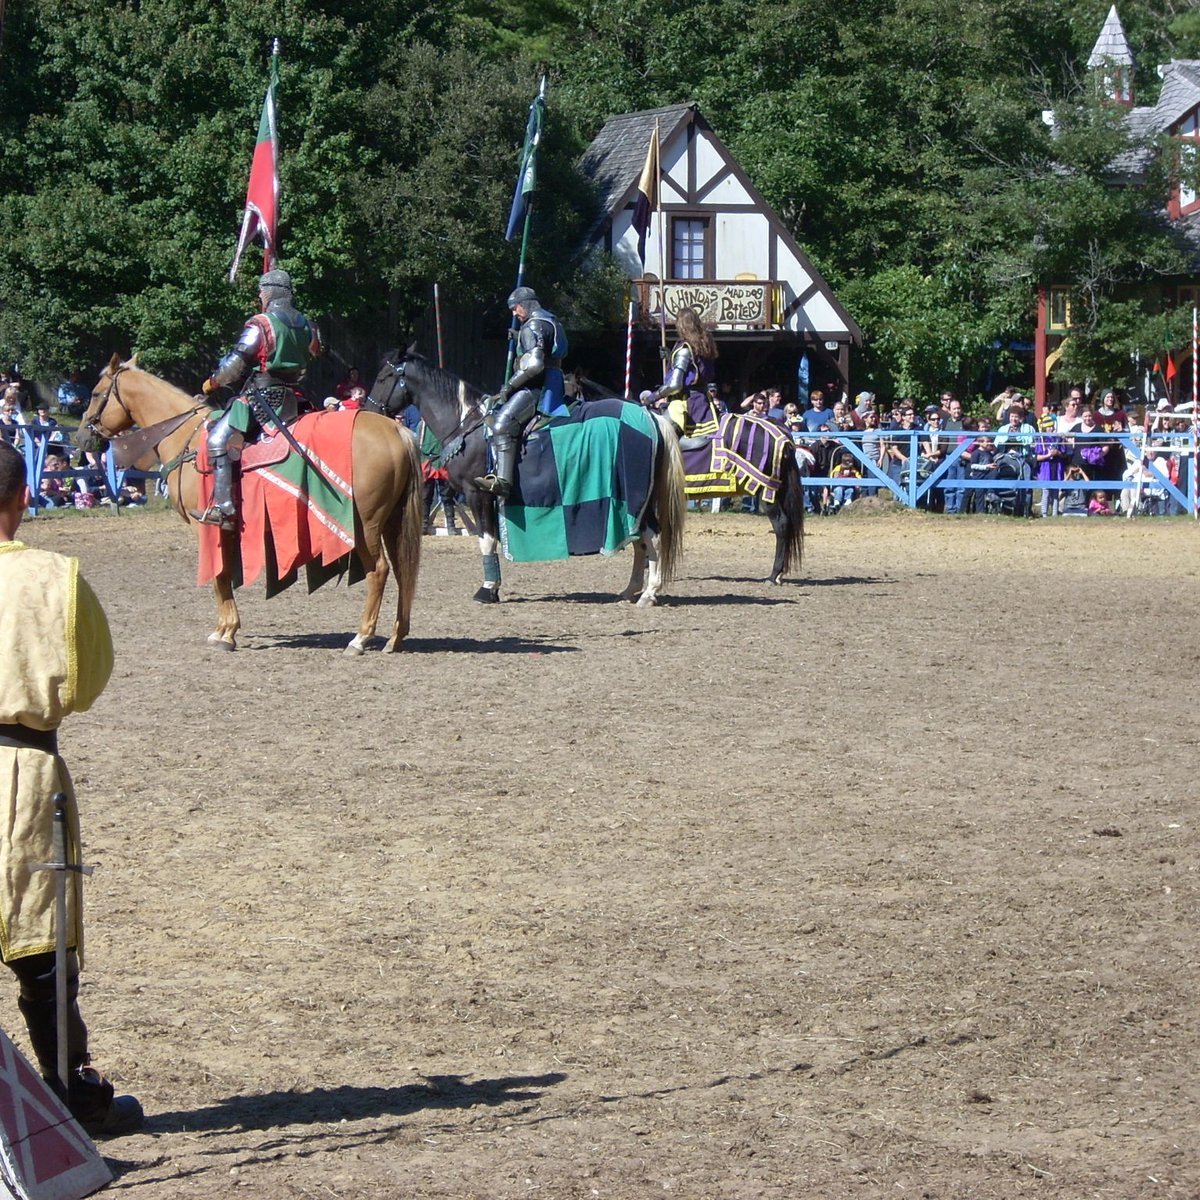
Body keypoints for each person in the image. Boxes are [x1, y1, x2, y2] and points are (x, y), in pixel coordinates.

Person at [0, 442, 143, 1137]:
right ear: (23, 499)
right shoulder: (58, 576)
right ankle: (69, 1097)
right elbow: (86, 684)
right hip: (23, 772)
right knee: (41, 942)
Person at [192, 268, 322, 529]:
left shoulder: (261, 323)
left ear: (270, 291)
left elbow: (234, 365)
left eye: (261, 290)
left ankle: (223, 508)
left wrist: (212, 383)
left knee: (217, 438)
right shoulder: (308, 324)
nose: (260, 295)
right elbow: (314, 355)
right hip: (295, 397)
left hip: (263, 398)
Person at [474, 285, 569, 498]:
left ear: (524, 305)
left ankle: (503, 481)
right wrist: (519, 335)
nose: (515, 314)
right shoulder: (550, 320)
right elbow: (545, 346)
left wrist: (509, 386)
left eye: (515, 309)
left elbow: (534, 365)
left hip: (538, 387)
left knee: (500, 424)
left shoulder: (532, 325)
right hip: (555, 380)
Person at [656, 306, 719, 444]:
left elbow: (675, 385)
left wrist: (653, 396)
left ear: (682, 324)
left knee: (661, 439)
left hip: (686, 403)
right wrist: (670, 356)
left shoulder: (685, 348)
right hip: (704, 399)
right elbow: (696, 366)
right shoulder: (704, 344)